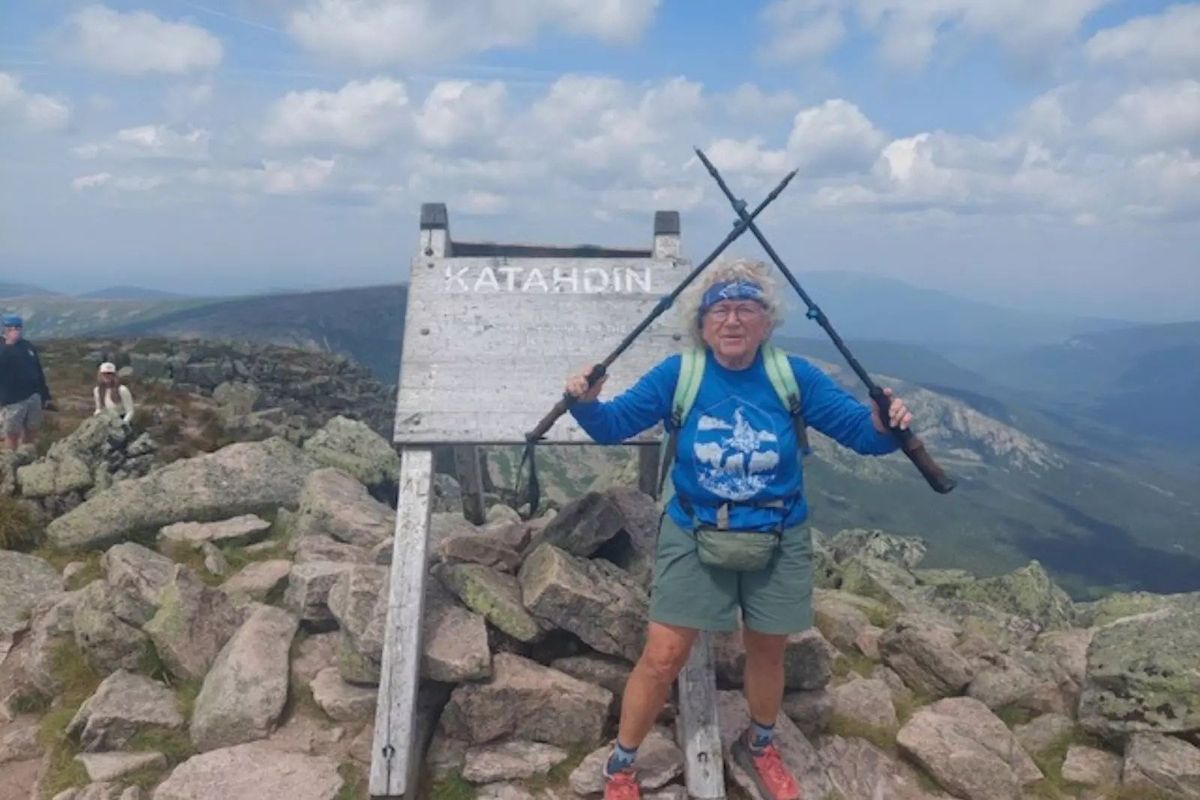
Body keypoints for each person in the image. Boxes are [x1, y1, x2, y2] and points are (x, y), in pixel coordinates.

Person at [564, 258, 913, 800]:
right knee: (662, 656)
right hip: (694, 530)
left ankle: (762, 743)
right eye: (719, 310)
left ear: (766, 322)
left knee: (768, 650)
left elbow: (864, 437)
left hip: (779, 532)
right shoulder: (679, 376)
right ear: (701, 325)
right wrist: (586, 405)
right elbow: (614, 426)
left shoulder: (792, 377)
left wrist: (884, 424)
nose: (732, 320)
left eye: (746, 308)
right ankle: (622, 765)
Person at [0, 314, 53, 450]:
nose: (14, 330)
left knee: (31, 429)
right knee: (12, 433)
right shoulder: (2, 346)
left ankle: (27, 456)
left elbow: (37, 370)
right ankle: (11, 460)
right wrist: (8, 346)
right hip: (13, 399)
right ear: (4, 329)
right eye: (10, 328)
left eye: (17, 327)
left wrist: (45, 394)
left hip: (33, 395)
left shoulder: (27, 345)